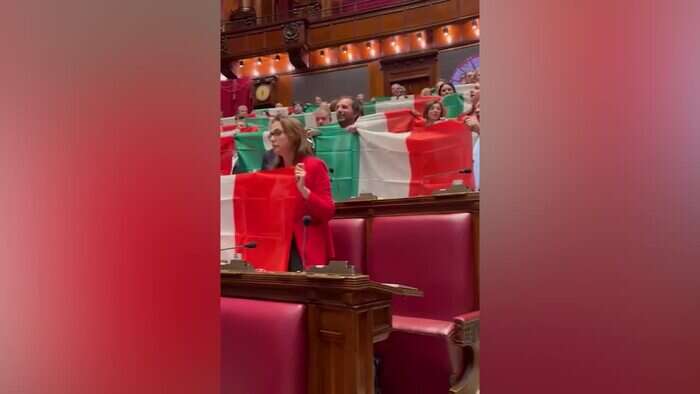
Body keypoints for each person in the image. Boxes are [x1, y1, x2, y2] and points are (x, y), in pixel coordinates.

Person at [265, 115, 335, 271]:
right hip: (279, 247)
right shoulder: (275, 172)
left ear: (293, 135)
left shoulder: (314, 165)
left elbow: (328, 211)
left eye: (277, 133)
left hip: (305, 248)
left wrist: (304, 191)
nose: (272, 138)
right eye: (271, 134)